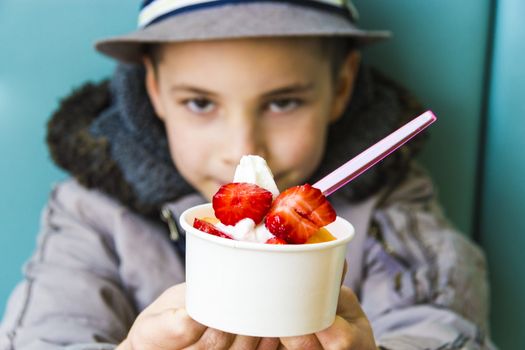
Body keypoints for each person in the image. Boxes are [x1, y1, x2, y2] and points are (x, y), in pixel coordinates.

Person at [0, 1, 496, 349]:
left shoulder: (390, 205)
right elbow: (43, 336)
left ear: (341, 86)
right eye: (200, 103)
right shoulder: (91, 211)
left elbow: (448, 326)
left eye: (283, 102)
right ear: (154, 91)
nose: (242, 148)